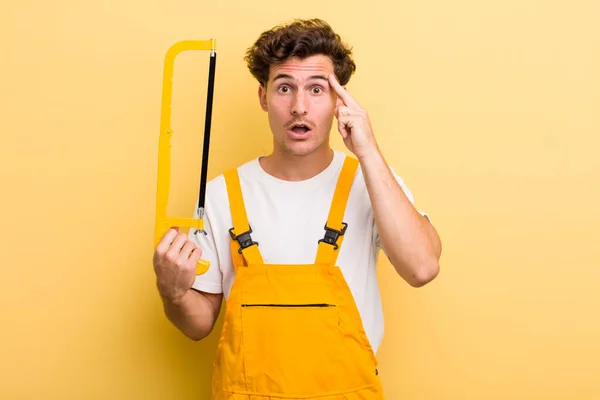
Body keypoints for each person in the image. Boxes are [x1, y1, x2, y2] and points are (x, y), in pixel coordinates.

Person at [153, 18, 442, 399]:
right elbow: (198, 324)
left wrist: (368, 152)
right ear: (263, 97)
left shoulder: (370, 181)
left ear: (339, 101)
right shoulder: (223, 194)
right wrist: (172, 292)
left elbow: (422, 268)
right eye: (284, 88)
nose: (299, 107)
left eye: (317, 89)